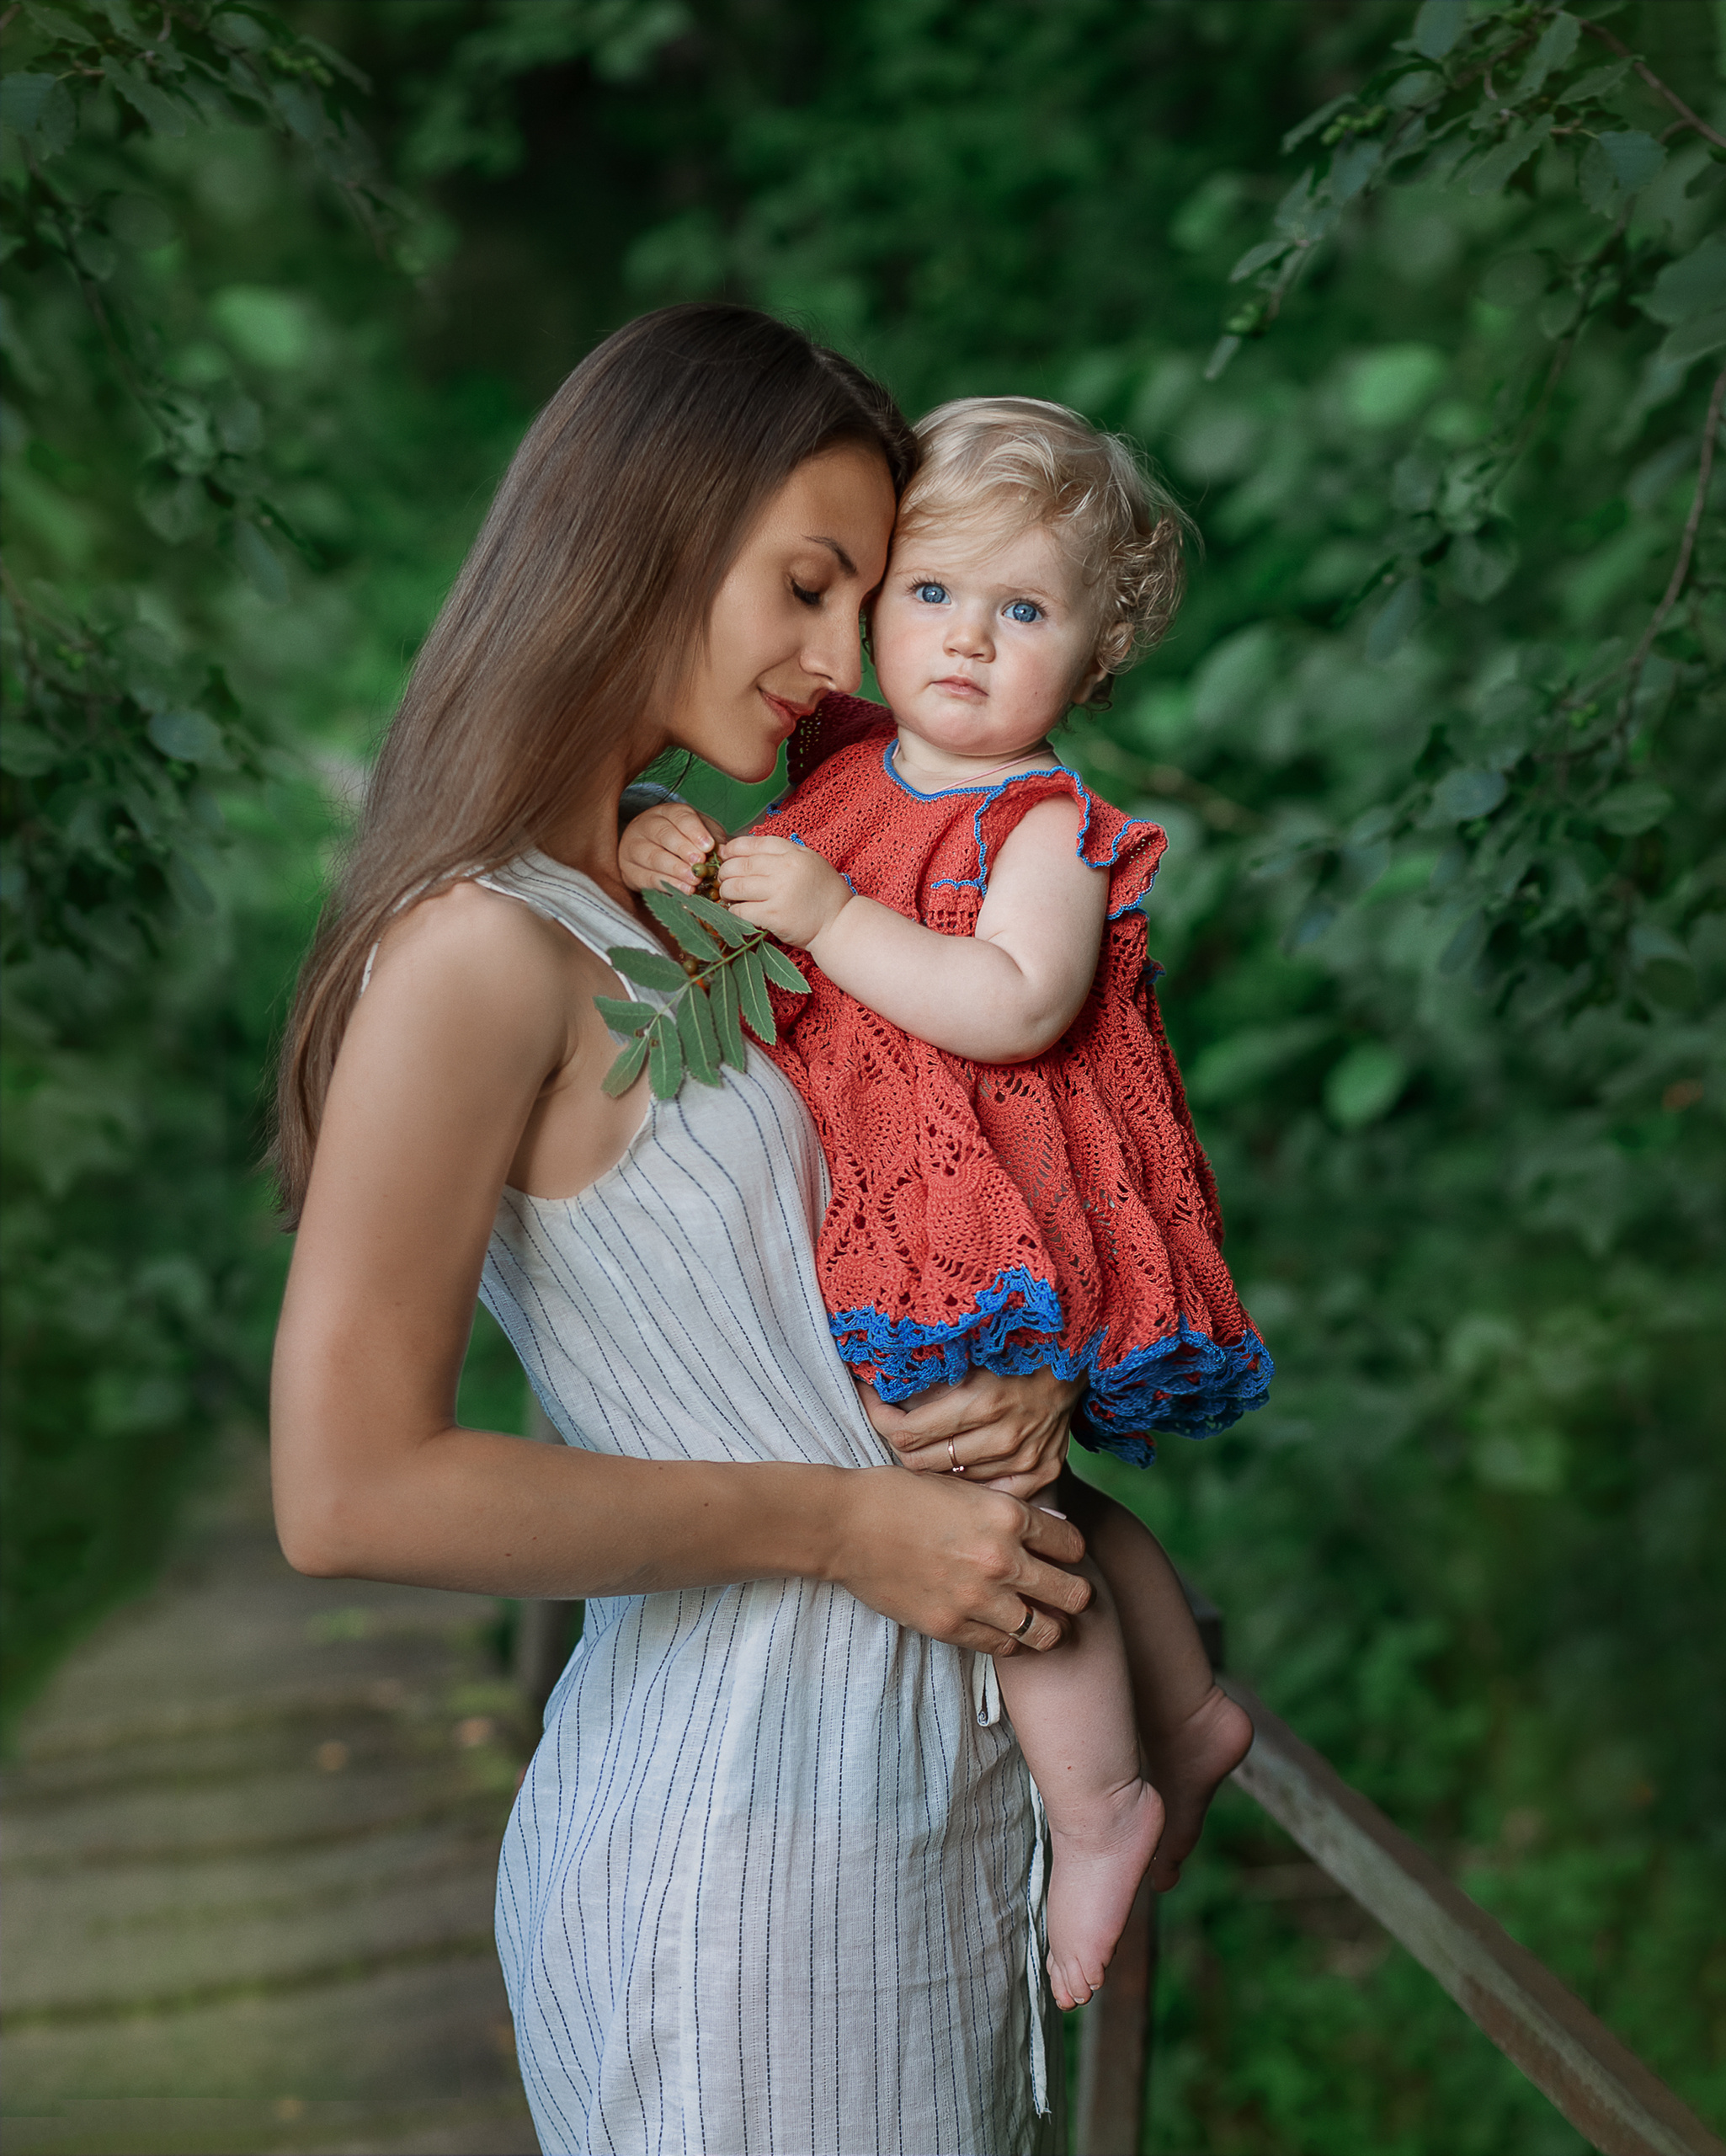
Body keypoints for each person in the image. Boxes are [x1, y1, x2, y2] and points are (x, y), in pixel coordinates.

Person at [269, 307, 1105, 2156]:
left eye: (861, 597)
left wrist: (989, 1378)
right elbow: (346, 1487)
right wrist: (844, 1516)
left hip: (907, 1793)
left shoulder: (655, 902)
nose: (839, 662)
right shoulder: (476, 944)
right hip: (746, 1849)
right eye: (807, 585)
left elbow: (792, 1293)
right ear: (643, 529)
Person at [617, 397, 1268, 2009]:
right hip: (899, 1187)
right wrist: (667, 854)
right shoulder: (836, 764)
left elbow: (1014, 1006)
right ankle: (1183, 1716)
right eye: (934, 593)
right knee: (1034, 1498)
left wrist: (829, 912)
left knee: (997, 1507)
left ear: (1094, 656)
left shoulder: (1040, 821)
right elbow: (745, 933)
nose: (969, 642)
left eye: (1024, 610)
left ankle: (1099, 1803)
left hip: (993, 1202)